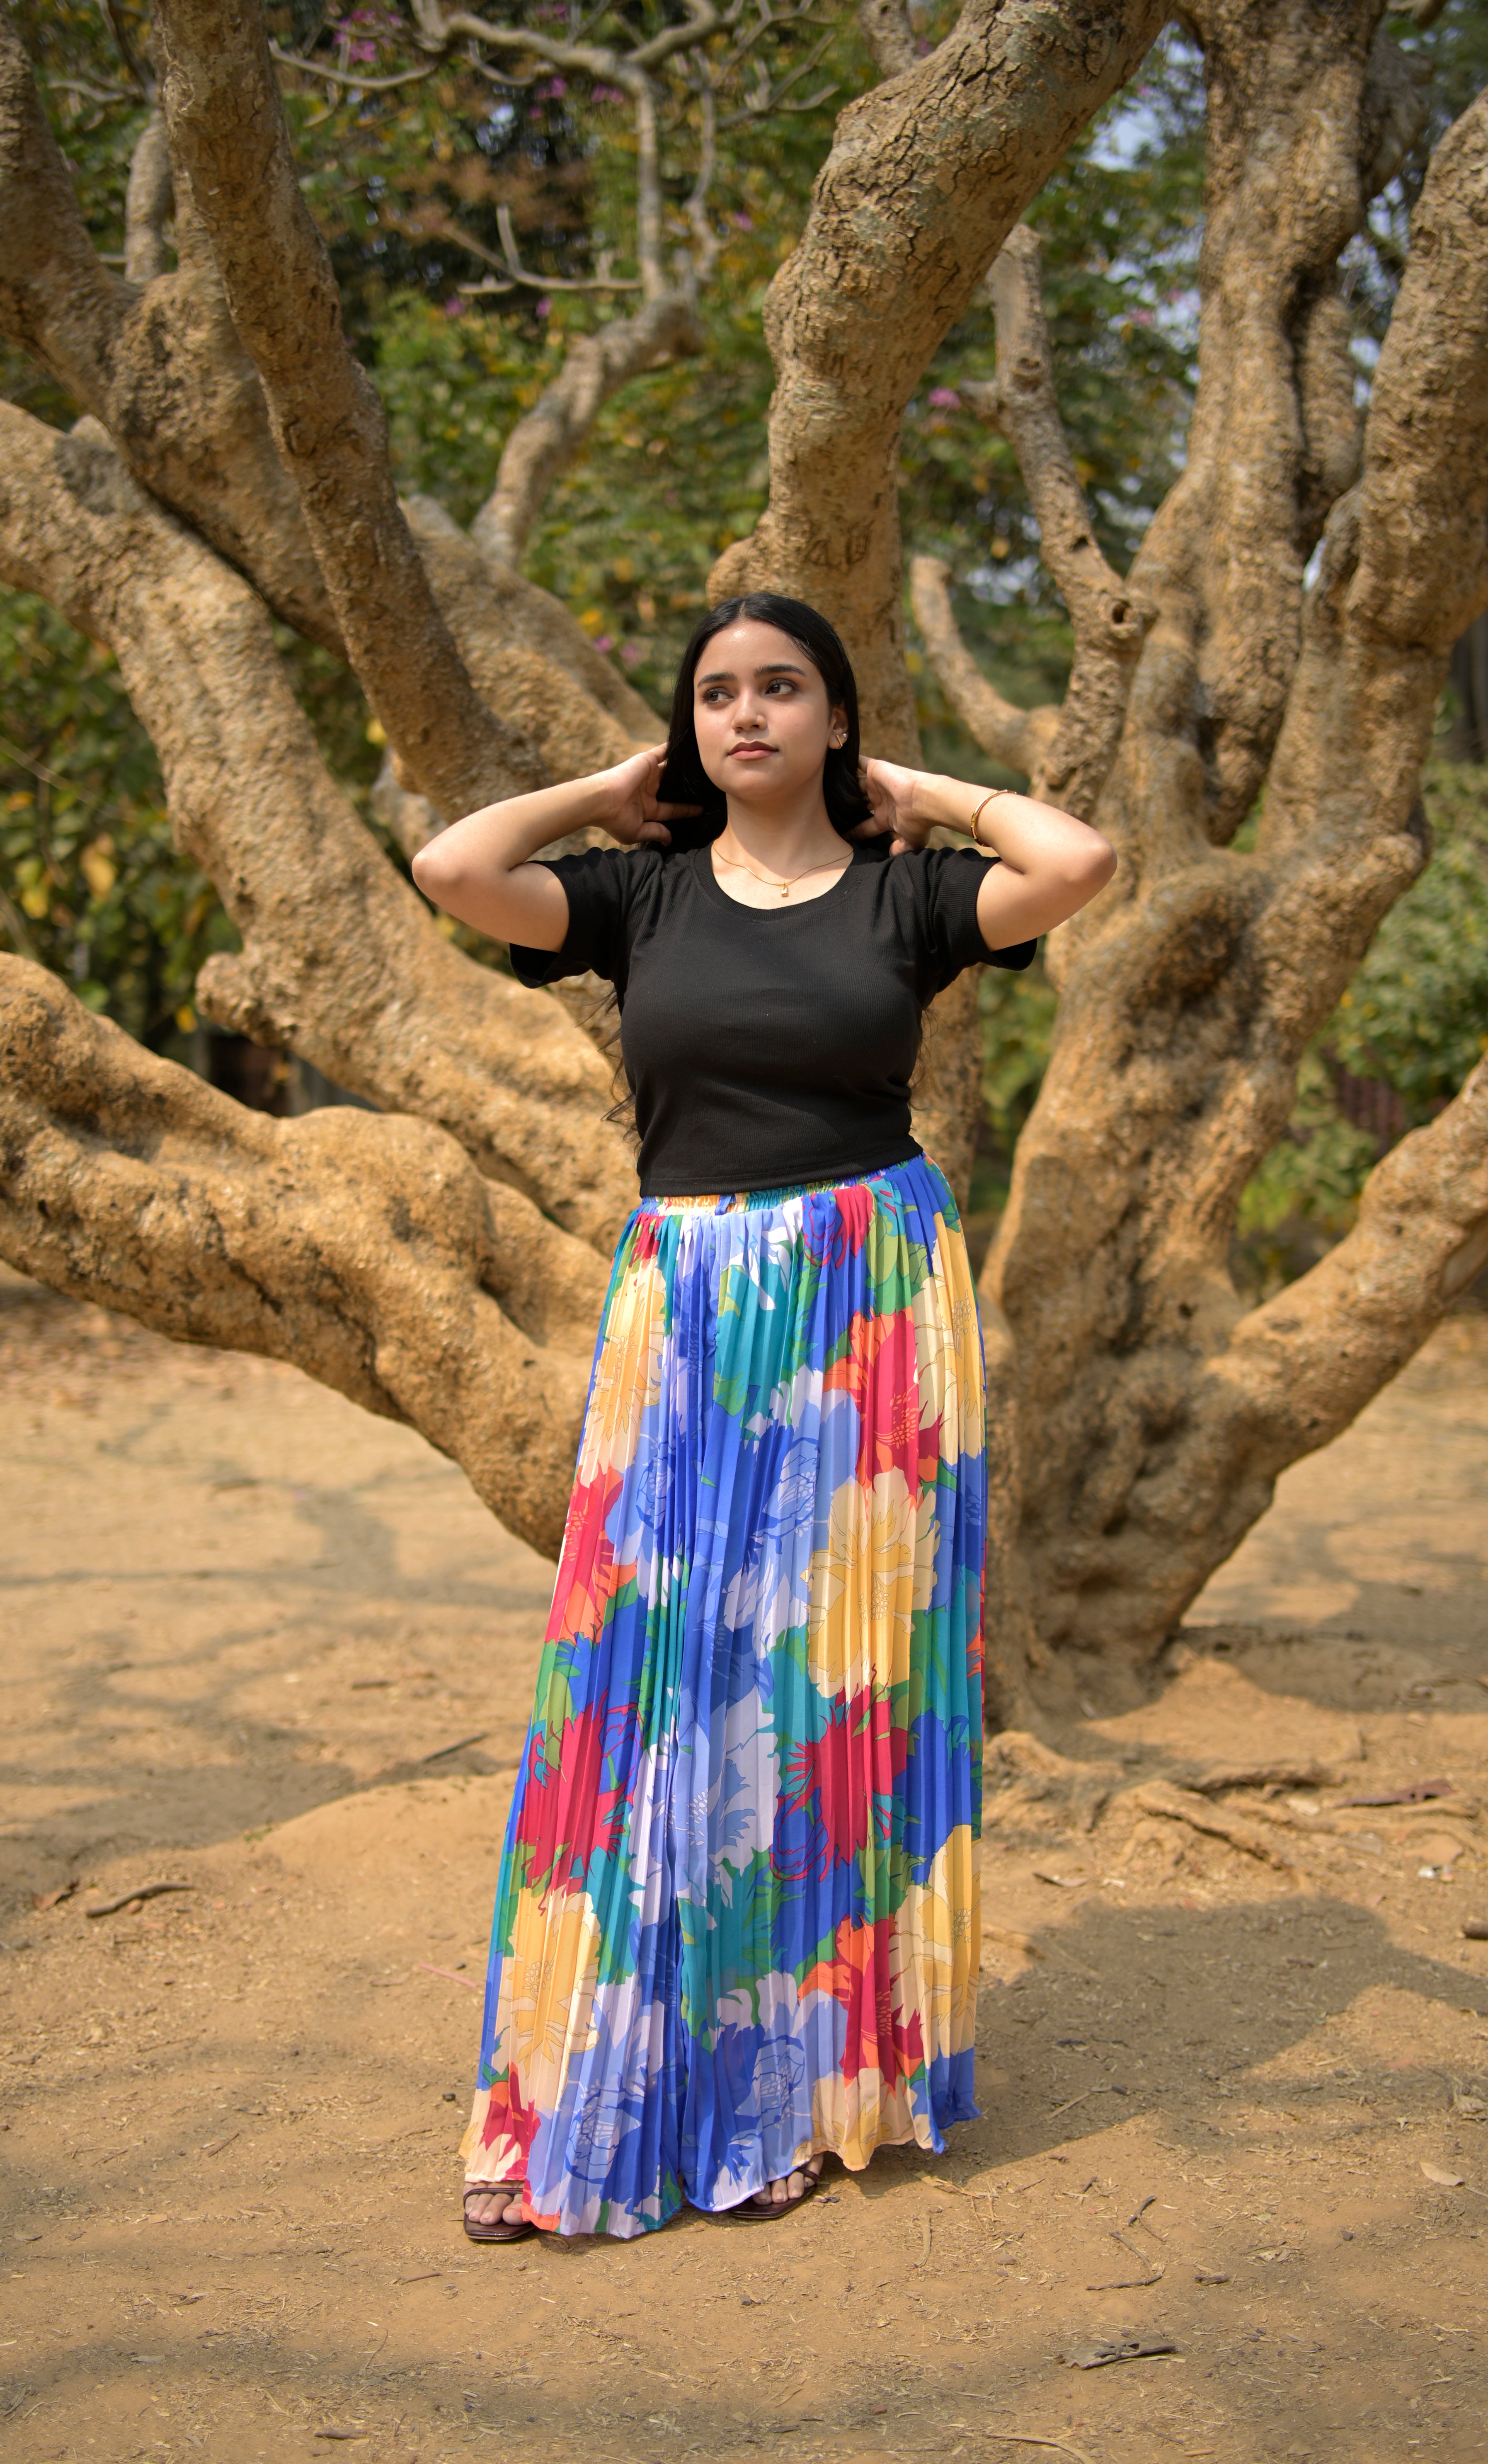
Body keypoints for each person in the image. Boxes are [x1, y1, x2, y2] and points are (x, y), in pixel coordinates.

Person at [412, 593, 1115, 2242]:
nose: (747, 716)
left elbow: (1076, 866)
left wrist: (925, 794)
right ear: (692, 728)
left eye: (783, 688)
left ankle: (801, 2084)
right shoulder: (637, 895)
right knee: (649, 1681)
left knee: (828, 1688)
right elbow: (453, 871)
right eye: (717, 694)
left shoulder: (907, 894)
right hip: (691, 1311)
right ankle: (618, 2060)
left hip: (870, 1311)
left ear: (832, 718)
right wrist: (604, 783)